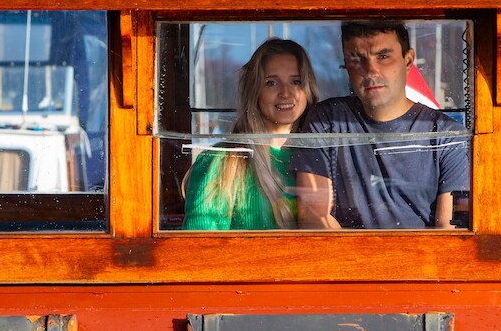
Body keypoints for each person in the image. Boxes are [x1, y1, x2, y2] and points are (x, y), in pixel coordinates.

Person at [293, 22, 469, 229]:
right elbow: (314, 218)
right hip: (343, 251)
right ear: (346, 65)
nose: (371, 70)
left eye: (383, 56)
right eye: (357, 59)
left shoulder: (447, 136)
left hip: (421, 252)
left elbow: (450, 233)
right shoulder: (327, 120)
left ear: (408, 60)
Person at [183, 38, 319, 230]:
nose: (285, 93)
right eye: (271, 83)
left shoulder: (321, 157)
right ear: (255, 91)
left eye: (296, 81)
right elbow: (200, 244)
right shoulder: (221, 161)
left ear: (307, 90)